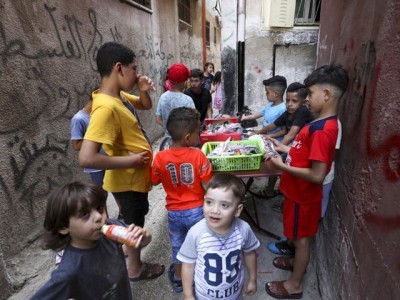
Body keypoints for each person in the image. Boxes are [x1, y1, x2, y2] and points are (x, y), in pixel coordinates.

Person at [79, 42, 164, 281]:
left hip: (133, 179)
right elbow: (86, 157)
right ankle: (135, 269)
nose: (137, 73)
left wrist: (143, 89)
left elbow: (145, 105)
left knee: (135, 216)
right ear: (119, 68)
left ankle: (128, 250)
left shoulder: (118, 96)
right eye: (134, 69)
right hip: (126, 180)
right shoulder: (105, 108)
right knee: (134, 224)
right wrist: (131, 161)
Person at [264, 64, 349, 299]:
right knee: (296, 237)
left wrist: (281, 166)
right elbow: (302, 150)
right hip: (296, 193)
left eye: (310, 94)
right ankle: (294, 263)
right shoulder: (316, 122)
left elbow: (317, 175)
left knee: (302, 240)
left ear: (327, 94)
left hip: (304, 195)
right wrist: (281, 147)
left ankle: (294, 285)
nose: (306, 99)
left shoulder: (324, 129)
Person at [30, 182, 152, 299]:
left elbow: (145, 240)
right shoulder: (70, 271)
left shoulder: (110, 228)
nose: (99, 217)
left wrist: (143, 236)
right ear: (63, 227)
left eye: (99, 208)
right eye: (84, 214)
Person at [151, 107, 213, 293]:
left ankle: (179, 279)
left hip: (174, 212)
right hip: (197, 211)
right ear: (188, 138)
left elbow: (153, 181)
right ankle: (200, 276)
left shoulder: (160, 157)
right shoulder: (198, 155)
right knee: (200, 244)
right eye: (198, 132)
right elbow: (208, 184)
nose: (200, 135)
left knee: (178, 246)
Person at [178, 173, 260, 300]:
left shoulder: (244, 229)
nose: (214, 210)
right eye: (209, 202)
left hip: (235, 294)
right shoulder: (196, 233)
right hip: (204, 297)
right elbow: (188, 265)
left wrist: (253, 279)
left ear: (238, 210)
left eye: (224, 205)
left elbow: (249, 253)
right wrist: (188, 294)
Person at [252, 82, 314, 198]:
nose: (289, 104)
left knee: (277, 162)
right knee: (277, 162)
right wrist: (258, 133)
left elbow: (290, 135)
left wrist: (274, 150)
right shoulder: (288, 113)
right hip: (296, 147)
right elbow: (273, 125)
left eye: (294, 101)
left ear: (303, 102)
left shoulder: (302, 111)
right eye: (287, 100)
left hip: (307, 152)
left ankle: (276, 192)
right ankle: (276, 190)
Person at [155, 63, 195, 137]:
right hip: (184, 139)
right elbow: (194, 121)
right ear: (184, 81)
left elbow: (158, 119)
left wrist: (168, 129)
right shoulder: (187, 100)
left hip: (169, 139)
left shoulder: (163, 97)